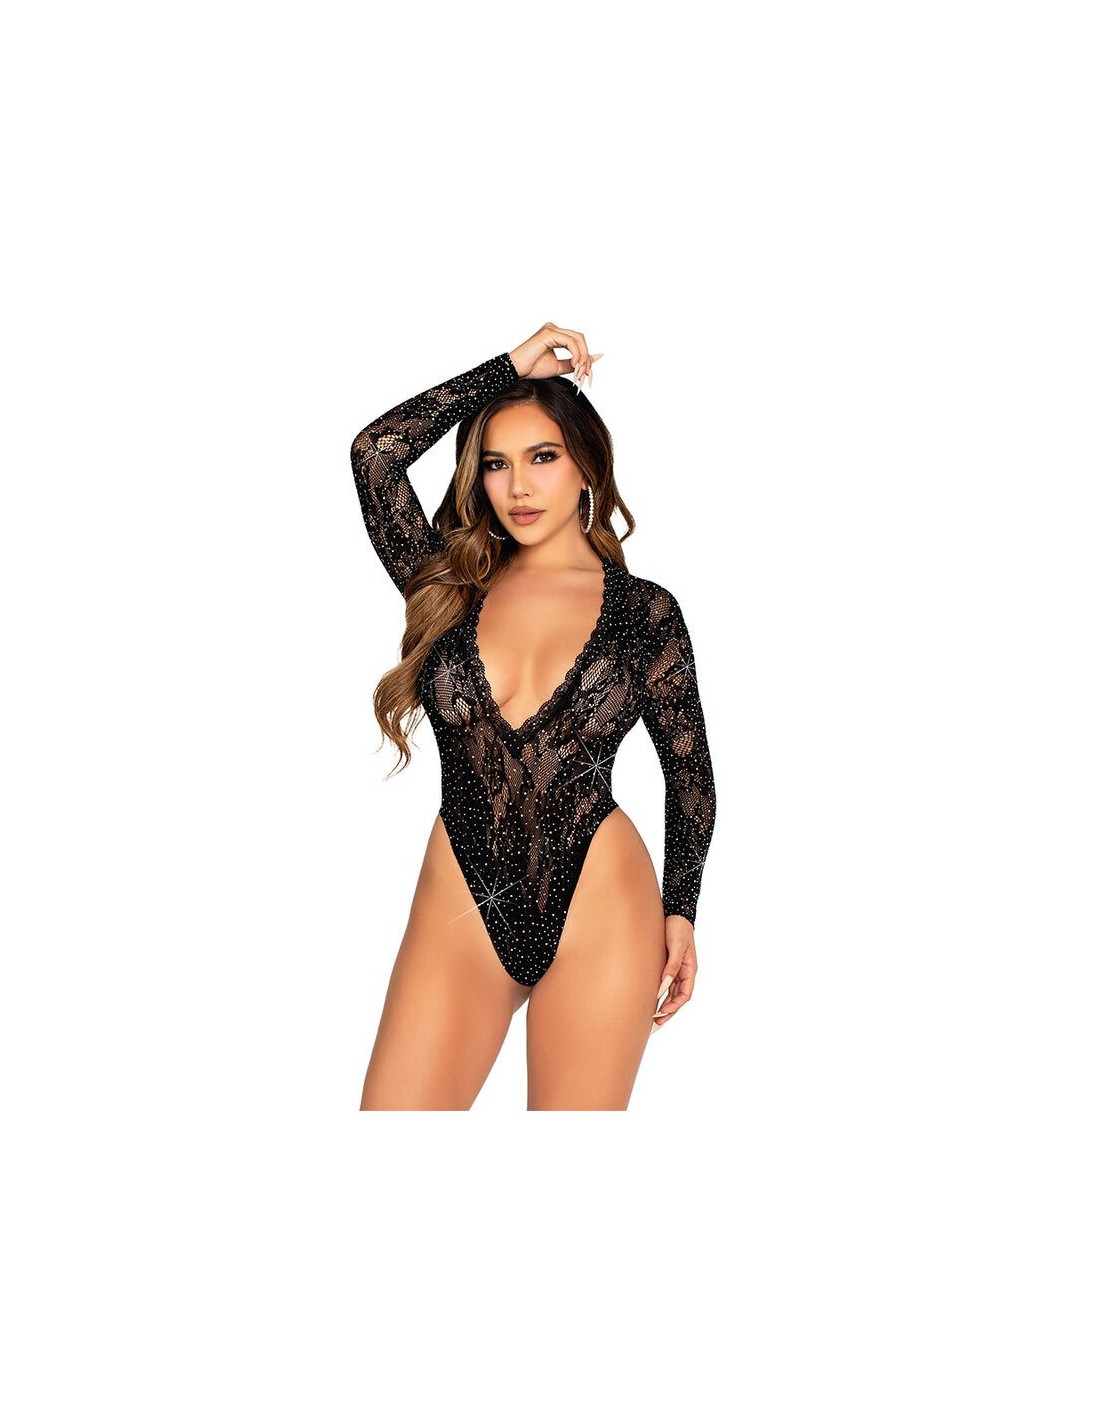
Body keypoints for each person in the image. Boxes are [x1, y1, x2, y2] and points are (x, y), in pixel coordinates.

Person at [350, 322, 717, 1110]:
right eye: (496, 463)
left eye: (542, 457)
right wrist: (509, 367)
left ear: (586, 465)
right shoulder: (449, 587)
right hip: (461, 899)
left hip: (601, 902)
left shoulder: (645, 613)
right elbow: (375, 454)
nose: (518, 486)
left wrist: (682, 910)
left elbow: (689, 777)